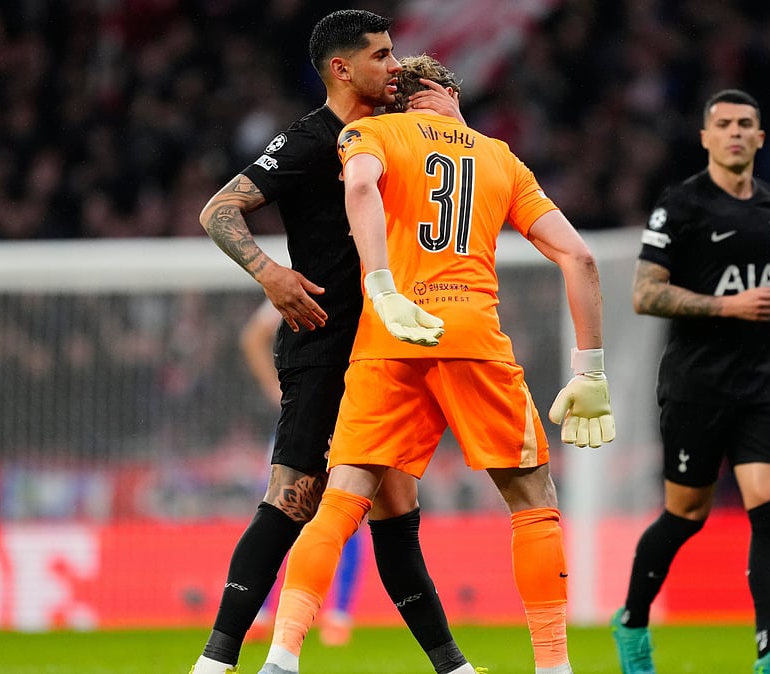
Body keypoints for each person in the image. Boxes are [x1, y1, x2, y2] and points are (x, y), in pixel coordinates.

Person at [256, 54, 616, 674]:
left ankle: (282, 657)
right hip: (472, 335)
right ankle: (554, 667)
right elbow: (579, 258)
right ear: (449, 91)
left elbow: (362, 186)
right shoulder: (501, 157)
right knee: (532, 498)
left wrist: (383, 286)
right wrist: (590, 368)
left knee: (341, 501)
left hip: (388, 336)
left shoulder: (373, 132)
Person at [190, 10, 480, 674]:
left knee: (396, 502)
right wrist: (270, 273)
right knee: (293, 495)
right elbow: (218, 209)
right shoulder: (309, 140)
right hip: (324, 344)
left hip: (387, 348)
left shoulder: (395, 133)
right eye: (381, 55)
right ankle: (215, 662)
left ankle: (453, 666)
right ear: (342, 68)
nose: (396, 65)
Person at [610, 89, 770, 674]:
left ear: (760, 137)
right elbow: (644, 293)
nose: (734, 132)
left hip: (758, 382)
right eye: (722, 123)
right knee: (686, 515)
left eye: (745, 124)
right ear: (705, 137)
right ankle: (631, 621)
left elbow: (761, 274)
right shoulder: (679, 206)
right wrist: (727, 308)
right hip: (694, 385)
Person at [237, 302, 363, 647]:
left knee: (344, 507)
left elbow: (253, 337)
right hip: (306, 412)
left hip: (345, 411)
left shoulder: (354, 280)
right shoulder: (301, 284)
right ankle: (265, 611)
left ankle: (337, 614)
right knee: (288, 507)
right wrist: (279, 393)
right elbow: (253, 337)